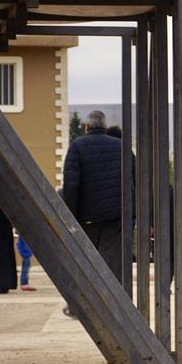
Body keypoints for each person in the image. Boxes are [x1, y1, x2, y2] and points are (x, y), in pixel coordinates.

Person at [61, 110, 131, 285]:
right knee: (112, 256)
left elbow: (71, 184)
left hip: (88, 215)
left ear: (87, 127)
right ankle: (112, 294)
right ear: (105, 128)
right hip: (116, 213)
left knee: (88, 256)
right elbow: (135, 179)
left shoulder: (77, 146)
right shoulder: (122, 147)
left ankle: (90, 293)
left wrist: (71, 214)